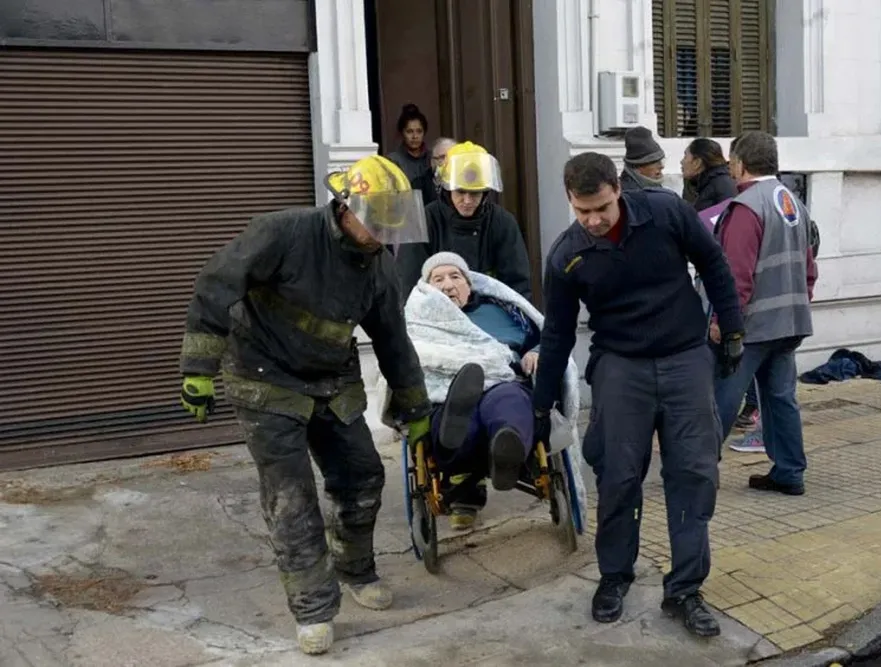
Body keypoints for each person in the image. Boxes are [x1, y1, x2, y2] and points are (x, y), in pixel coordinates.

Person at [178, 155, 434, 656]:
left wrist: (415, 405)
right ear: (345, 206)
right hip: (263, 376)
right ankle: (314, 608)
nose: (384, 231)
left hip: (330, 380)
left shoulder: (379, 265)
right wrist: (197, 369)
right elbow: (216, 283)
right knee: (291, 494)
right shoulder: (282, 233)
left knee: (363, 475)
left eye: (391, 220)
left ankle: (356, 569)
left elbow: (393, 340)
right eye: (376, 219)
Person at [532, 152, 744, 637]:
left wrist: (731, 327)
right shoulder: (567, 255)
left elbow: (713, 262)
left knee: (694, 473)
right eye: (582, 211)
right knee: (618, 475)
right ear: (570, 200)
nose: (593, 220)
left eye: (601, 208)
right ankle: (614, 576)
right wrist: (542, 404)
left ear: (617, 189)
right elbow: (557, 335)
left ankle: (686, 589)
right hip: (620, 366)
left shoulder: (666, 211)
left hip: (685, 355)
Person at [380, 252, 585, 530]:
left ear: (470, 283)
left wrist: (538, 352)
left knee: (508, 398)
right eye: (437, 279)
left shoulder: (501, 310)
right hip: (445, 389)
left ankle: (506, 450)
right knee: (455, 409)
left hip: (502, 376)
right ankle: (465, 432)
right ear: (426, 289)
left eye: (456, 276)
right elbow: (399, 360)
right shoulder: (416, 320)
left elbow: (545, 336)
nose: (448, 284)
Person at [711, 131, 818, 495]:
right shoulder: (791, 201)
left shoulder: (746, 207)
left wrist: (723, 322)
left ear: (740, 164)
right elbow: (809, 265)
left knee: (722, 397)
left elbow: (734, 275)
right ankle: (789, 471)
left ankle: (697, 469)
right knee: (780, 397)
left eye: (731, 162)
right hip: (790, 321)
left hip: (752, 326)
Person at [394, 141, 533, 300]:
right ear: (447, 189)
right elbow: (408, 280)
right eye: (460, 192)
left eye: (474, 193)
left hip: (491, 313)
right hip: (436, 312)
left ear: (485, 193)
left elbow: (517, 285)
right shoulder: (425, 220)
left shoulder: (502, 223)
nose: (467, 201)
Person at [681, 138, 738, 212]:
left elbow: (728, 217)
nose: (681, 161)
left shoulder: (722, 184)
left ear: (697, 162)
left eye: (685, 157)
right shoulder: (700, 183)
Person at [387, 103, 432, 184]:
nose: (415, 136)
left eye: (419, 131)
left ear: (424, 132)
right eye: (409, 131)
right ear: (402, 133)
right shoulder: (393, 160)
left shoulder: (432, 158)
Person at [411, 136, 457, 206]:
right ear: (432, 161)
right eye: (443, 157)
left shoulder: (467, 182)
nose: (448, 161)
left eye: (453, 156)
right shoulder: (417, 186)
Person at [618, 126, 665, 191]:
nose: (662, 166)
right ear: (637, 168)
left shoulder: (652, 184)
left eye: (661, 161)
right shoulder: (625, 194)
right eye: (655, 162)